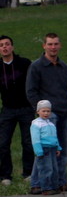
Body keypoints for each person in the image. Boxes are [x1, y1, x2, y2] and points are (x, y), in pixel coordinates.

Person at [26, 33, 67, 193]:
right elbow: (31, 91)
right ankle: (38, 184)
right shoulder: (37, 66)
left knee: (64, 150)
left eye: (55, 44)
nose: (53, 47)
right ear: (44, 46)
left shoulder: (64, 67)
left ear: (59, 46)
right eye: (50, 44)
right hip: (48, 115)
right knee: (45, 151)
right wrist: (41, 111)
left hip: (65, 111)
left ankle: (61, 182)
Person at [0, 35, 34, 186]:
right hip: (7, 109)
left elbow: (33, 83)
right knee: (3, 143)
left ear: (12, 47)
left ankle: (28, 172)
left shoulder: (24, 63)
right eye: (1, 45)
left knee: (27, 142)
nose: (5, 47)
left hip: (26, 108)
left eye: (7, 44)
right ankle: (5, 175)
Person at [30, 100, 61, 195]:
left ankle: (54, 186)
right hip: (43, 149)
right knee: (46, 169)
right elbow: (35, 138)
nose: (46, 113)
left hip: (52, 149)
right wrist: (38, 151)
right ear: (38, 111)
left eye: (48, 111)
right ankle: (46, 188)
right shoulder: (36, 123)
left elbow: (55, 137)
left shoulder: (51, 124)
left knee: (54, 168)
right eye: (43, 111)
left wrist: (58, 147)